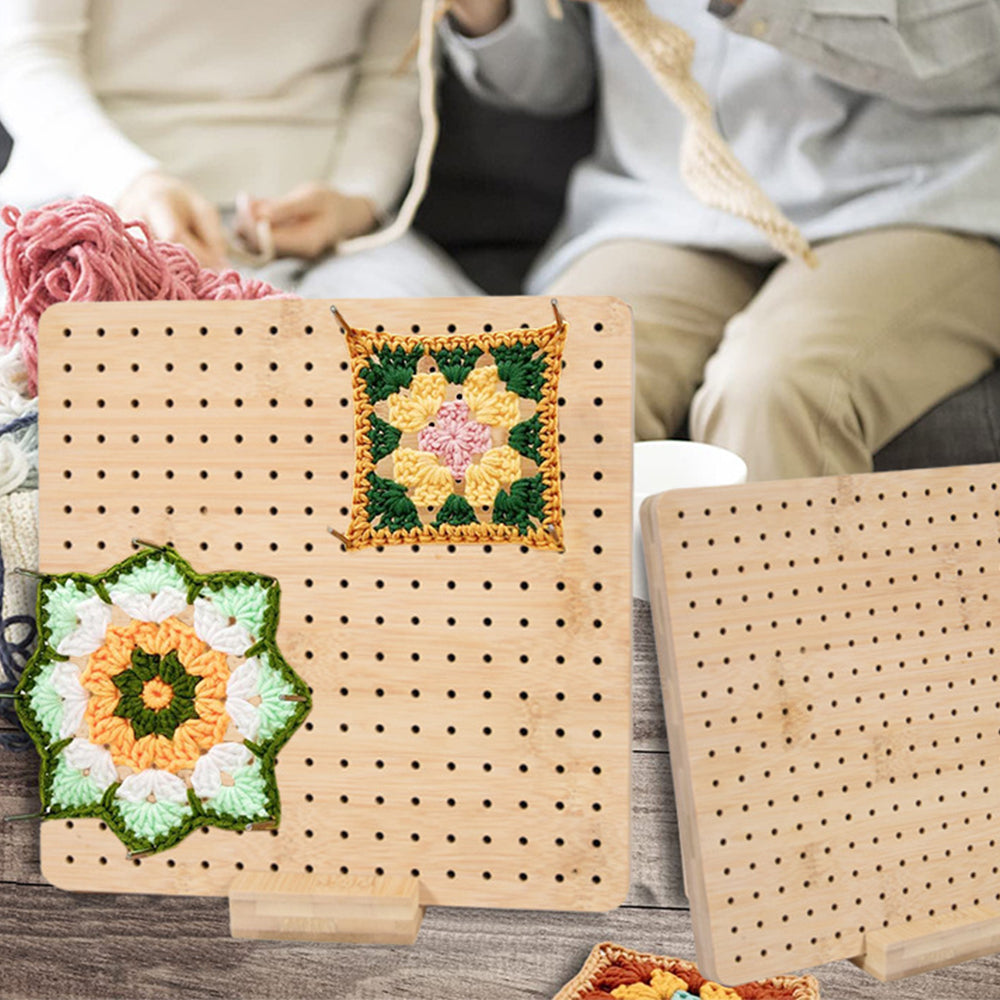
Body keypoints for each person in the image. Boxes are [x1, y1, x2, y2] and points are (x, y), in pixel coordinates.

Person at [444, 0, 1000, 480]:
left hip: (910, 194)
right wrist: (489, 15)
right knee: (528, 388)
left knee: (771, 392)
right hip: (665, 203)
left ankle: (766, 609)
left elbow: (979, 49)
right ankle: (547, 608)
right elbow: (560, 78)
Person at [0, 0, 480, 299]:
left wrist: (355, 199)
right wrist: (133, 183)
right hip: (85, 203)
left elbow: (393, 74)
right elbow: (27, 53)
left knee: (445, 376)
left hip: (332, 239)